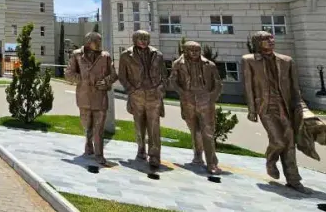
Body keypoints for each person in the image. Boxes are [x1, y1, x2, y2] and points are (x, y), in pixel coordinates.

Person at [243, 31, 318, 193]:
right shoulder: (249, 60)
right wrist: (252, 109)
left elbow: (295, 88)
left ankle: (294, 180)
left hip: (285, 106)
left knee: (290, 142)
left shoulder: (286, 61)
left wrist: (303, 109)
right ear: (257, 43)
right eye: (265, 39)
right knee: (278, 141)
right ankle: (271, 160)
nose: (271, 41)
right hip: (266, 107)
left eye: (271, 38)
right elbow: (248, 86)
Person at [169, 40, 223, 174]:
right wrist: (182, 93)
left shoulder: (209, 65)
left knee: (208, 131)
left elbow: (218, 83)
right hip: (188, 100)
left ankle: (212, 162)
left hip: (205, 99)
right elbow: (172, 81)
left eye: (197, 50)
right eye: (191, 50)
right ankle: (198, 156)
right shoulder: (178, 64)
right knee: (195, 130)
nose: (195, 53)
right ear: (185, 51)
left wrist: (211, 98)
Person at [66, 32, 117, 165]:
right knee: (87, 125)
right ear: (89, 41)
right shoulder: (77, 55)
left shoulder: (105, 56)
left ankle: (99, 154)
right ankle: (89, 145)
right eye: (97, 41)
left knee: (99, 127)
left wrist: (106, 82)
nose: (100, 44)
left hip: (100, 97)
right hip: (84, 96)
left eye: (100, 41)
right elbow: (69, 73)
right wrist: (82, 79)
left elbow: (113, 75)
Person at [118, 30, 166, 169]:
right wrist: (131, 90)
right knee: (139, 125)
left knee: (154, 126)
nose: (144, 41)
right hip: (137, 95)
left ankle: (155, 155)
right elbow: (122, 76)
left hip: (153, 94)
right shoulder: (126, 55)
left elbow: (164, 75)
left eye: (146, 38)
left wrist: (160, 89)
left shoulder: (157, 54)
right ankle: (141, 149)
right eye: (141, 38)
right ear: (134, 39)